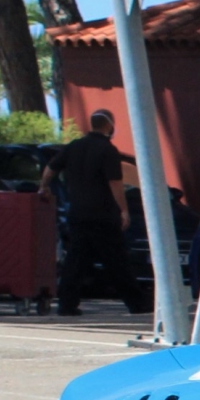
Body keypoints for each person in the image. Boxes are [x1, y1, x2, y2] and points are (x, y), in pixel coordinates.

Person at [44, 111, 132, 316]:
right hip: (103, 215)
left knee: (75, 261)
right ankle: (136, 302)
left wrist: (44, 187)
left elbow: (50, 169)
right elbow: (115, 183)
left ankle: (66, 304)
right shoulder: (107, 150)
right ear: (109, 126)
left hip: (78, 213)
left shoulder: (73, 146)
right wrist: (123, 209)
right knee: (117, 260)